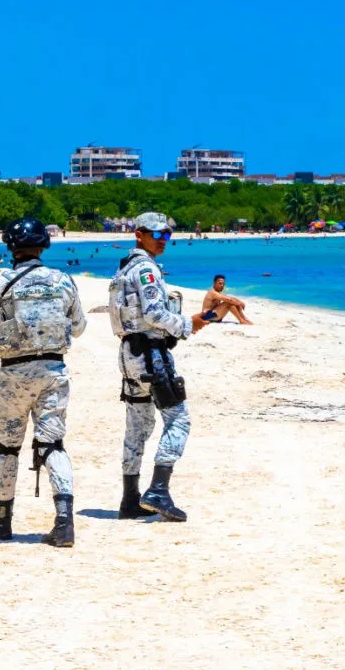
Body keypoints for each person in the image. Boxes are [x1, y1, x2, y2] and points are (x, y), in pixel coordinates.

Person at [108, 212, 211, 522]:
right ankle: (158, 490)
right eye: (157, 234)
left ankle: (130, 500)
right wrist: (184, 325)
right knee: (178, 421)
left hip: (129, 354)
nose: (164, 240)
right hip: (151, 356)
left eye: (167, 235)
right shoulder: (146, 270)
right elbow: (154, 314)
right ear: (139, 234)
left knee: (137, 427)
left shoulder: (124, 268)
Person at [0, 218, 86, 547]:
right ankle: (64, 522)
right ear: (43, 246)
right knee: (53, 446)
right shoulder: (62, 281)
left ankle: (2, 521)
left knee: (6, 448)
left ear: (11, 247)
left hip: (13, 375)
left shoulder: (1, 282)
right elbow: (78, 328)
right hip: (53, 372)